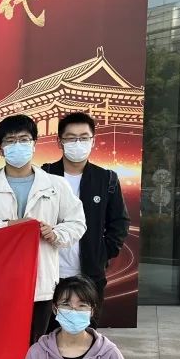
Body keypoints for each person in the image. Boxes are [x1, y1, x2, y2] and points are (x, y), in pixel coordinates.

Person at [0, 114, 85, 343]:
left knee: (35, 345)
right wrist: (8, 226)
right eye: (10, 141)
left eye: (24, 139)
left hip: (41, 284)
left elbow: (77, 223)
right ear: (0, 149)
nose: (18, 145)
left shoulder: (55, 185)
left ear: (34, 144)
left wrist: (55, 233)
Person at [41, 111, 130, 306]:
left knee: (84, 322)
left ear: (93, 141)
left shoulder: (106, 179)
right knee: (46, 324)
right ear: (59, 142)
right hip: (48, 274)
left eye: (84, 138)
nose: (77, 143)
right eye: (71, 138)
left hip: (90, 275)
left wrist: (102, 253)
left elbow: (119, 222)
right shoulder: (44, 175)